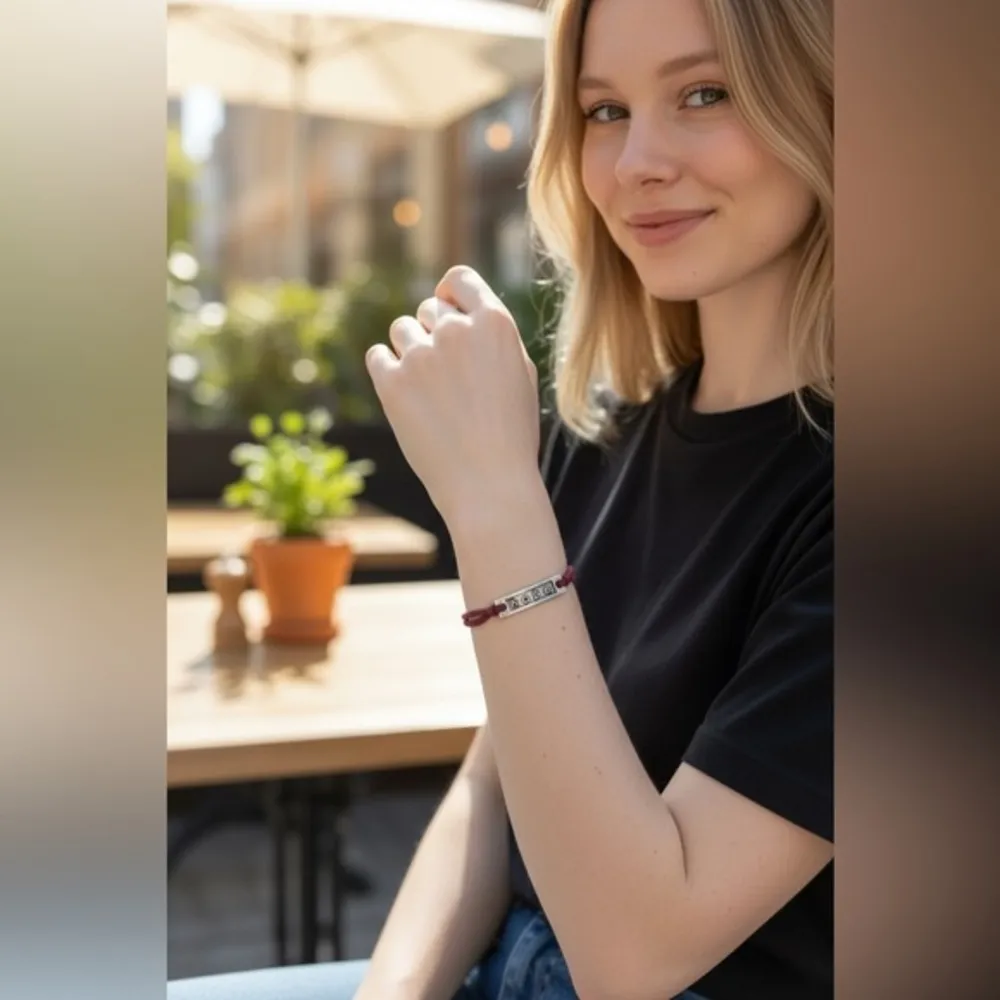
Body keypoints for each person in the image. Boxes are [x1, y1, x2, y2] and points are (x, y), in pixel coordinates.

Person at [168, 0, 833, 997]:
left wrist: (492, 502)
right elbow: (493, 779)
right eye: (602, 111)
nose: (633, 162)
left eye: (705, 93)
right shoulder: (603, 434)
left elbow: (637, 955)